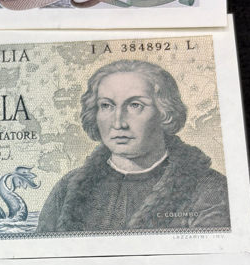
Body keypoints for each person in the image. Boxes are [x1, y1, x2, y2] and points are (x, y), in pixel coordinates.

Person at [35, 60, 230, 233]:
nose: (118, 122)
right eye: (106, 106)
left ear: (165, 112)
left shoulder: (209, 189)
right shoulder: (69, 187)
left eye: (135, 105)